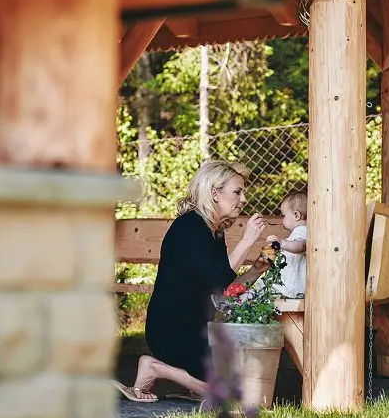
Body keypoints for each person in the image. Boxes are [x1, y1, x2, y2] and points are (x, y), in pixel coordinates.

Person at [111, 160, 270, 403]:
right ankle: (156, 368)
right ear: (215, 194)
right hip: (172, 331)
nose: (244, 198)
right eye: (238, 192)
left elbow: (224, 289)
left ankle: (193, 383)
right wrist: (247, 240)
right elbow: (219, 277)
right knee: (232, 397)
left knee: (240, 384)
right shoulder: (189, 228)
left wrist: (257, 269)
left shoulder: (214, 232)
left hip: (197, 330)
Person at [265, 189, 308, 299]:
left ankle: (234, 301)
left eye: (284, 215)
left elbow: (301, 246)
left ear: (296, 215)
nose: (283, 219)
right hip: (290, 285)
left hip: (291, 285)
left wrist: (281, 243)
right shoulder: (300, 231)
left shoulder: (302, 230)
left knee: (262, 290)